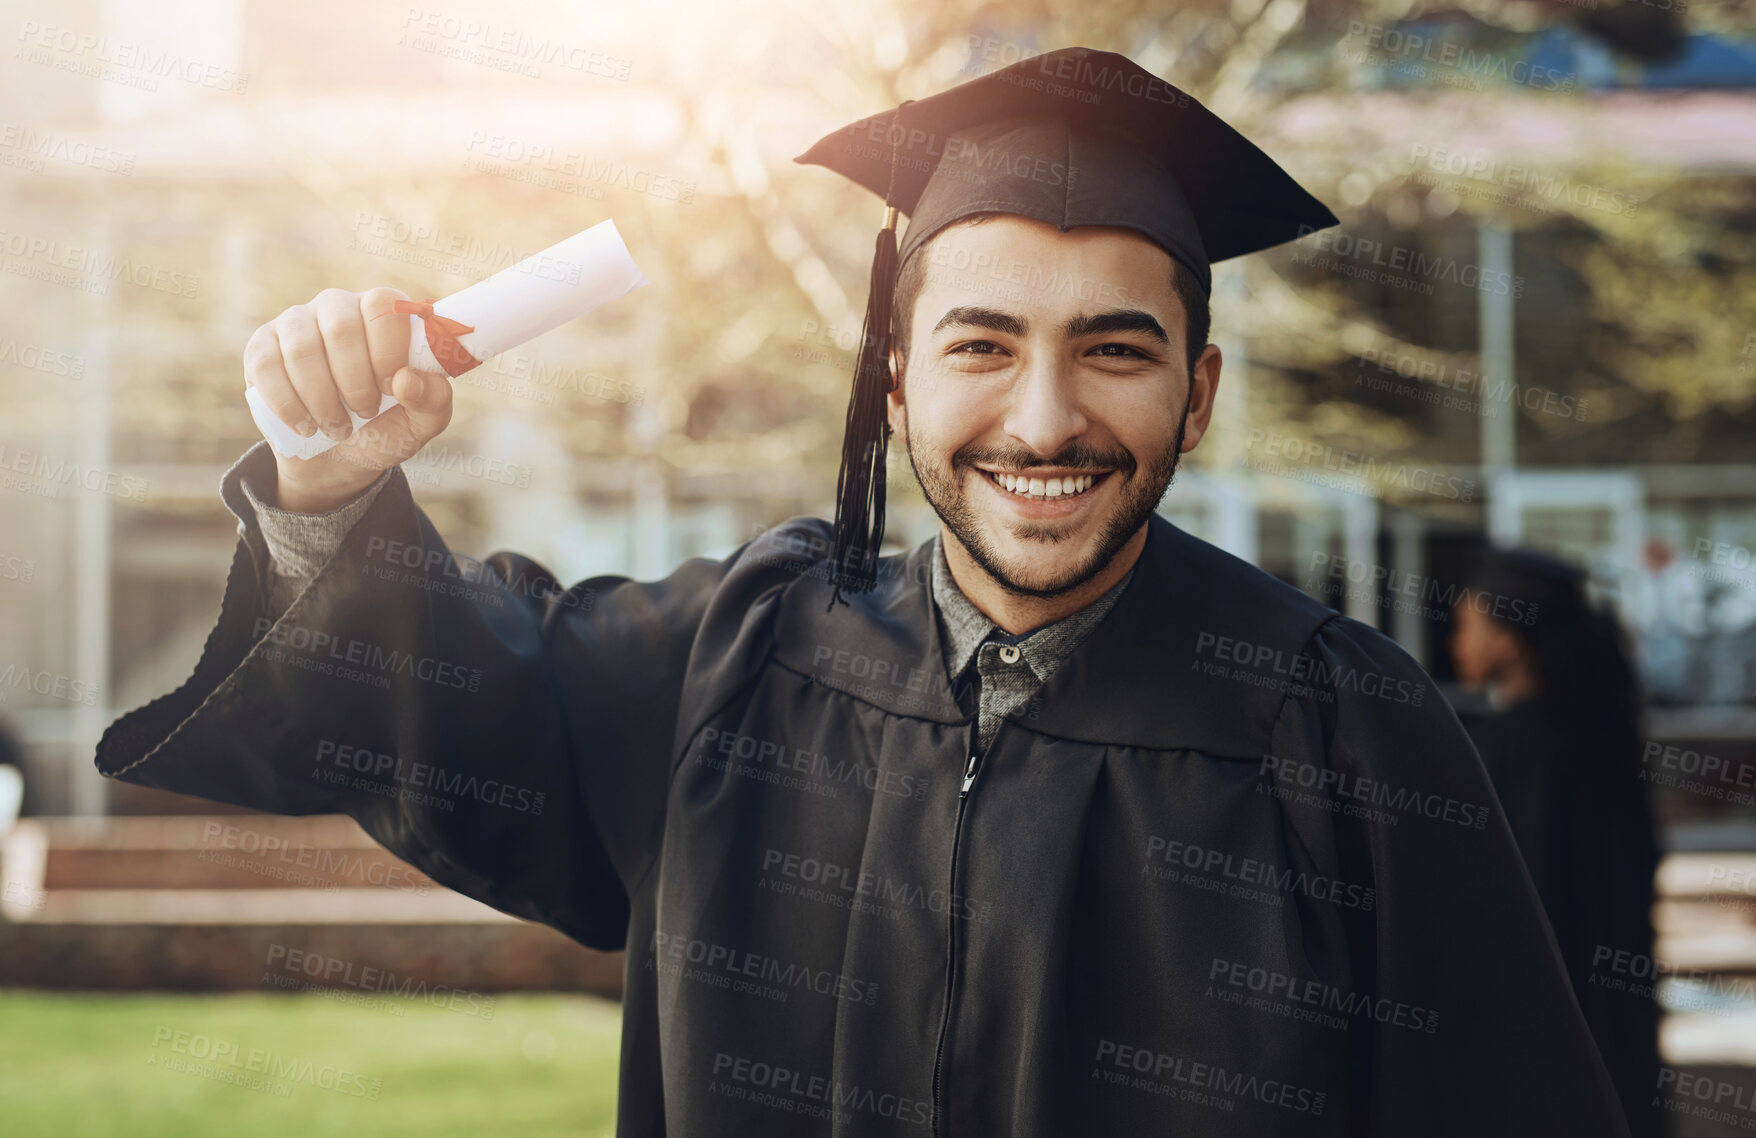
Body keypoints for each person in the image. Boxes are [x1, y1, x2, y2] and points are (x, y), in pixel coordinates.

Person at [99, 47, 1629, 1136]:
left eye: (1114, 346)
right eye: (981, 344)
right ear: (895, 384)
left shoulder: (1340, 729)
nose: (1043, 420)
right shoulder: (738, 658)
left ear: (1201, 389)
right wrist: (332, 489)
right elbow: (448, 708)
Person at [1452, 547, 1664, 1138]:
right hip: (1613, 1008)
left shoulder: (1510, 749)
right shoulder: (1600, 736)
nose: (1456, 643)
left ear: (1511, 639)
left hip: (1542, 1016)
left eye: (1469, 625)